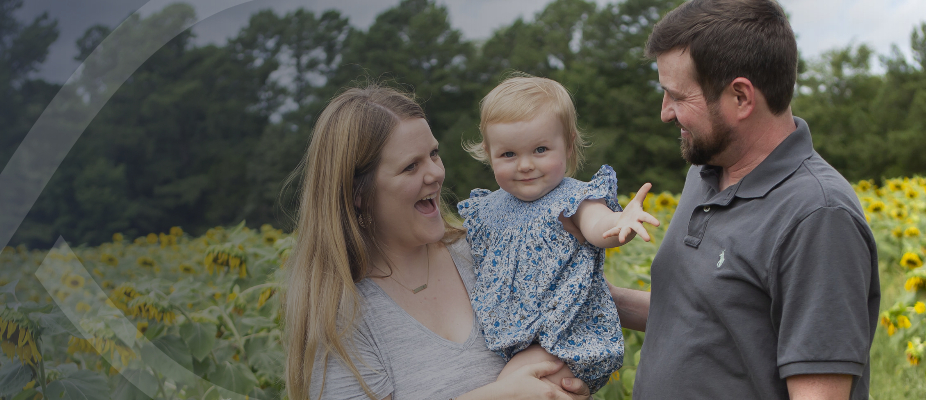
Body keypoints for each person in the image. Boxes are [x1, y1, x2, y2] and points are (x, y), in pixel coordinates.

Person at [628, 0, 881, 398]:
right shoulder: (705, 172)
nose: (665, 113)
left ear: (741, 97)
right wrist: (585, 296)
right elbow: (707, 316)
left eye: (677, 95)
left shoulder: (818, 217)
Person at [282, 85, 592, 400]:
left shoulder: (486, 249)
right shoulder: (342, 315)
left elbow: (577, 305)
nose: (435, 173)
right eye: (410, 167)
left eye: (433, 154)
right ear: (358, 194)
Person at [457, 76, 659, 393]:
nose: (525, 165)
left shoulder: (571, 200)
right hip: (520, 338)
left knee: (510, 388)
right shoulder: (487, 209)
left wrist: (622, 222)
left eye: (540, 150)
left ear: (568, 144)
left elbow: (598, 227)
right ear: (488, 152)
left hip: (566, 334)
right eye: (508, 154)